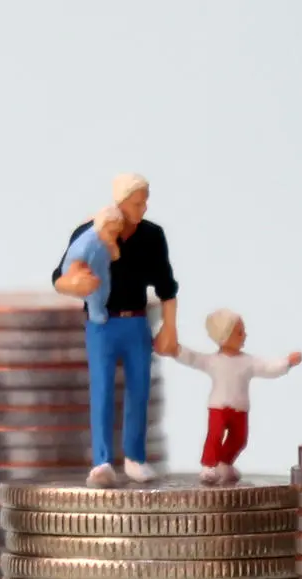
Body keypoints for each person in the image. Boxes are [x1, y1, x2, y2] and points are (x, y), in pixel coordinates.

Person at [52, 173, 180, 485]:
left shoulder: (152, 236)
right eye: (137, 203)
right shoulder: (90, 232)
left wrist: (169, 329)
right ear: (120, 203)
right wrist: (74, 284)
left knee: (139, 389)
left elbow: (166, 286)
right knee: (102, 390)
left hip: (136, 322)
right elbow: (60, 276)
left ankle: (135, 457)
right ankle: (102, 461)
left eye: (145, 202)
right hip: (101, 324)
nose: (143, 208)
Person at [169, 309, 302, 484]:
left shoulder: (248, 361)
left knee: (240, 439)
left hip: (240, 408)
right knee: (215, 436)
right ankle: (208, 466)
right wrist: (175, 349)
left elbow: (268, 368)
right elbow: (193, 358)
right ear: (224, 336)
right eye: (240, 332)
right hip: (218, 407)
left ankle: (224, 463)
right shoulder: (213, 361)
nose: (245, 335)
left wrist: (287, 362)